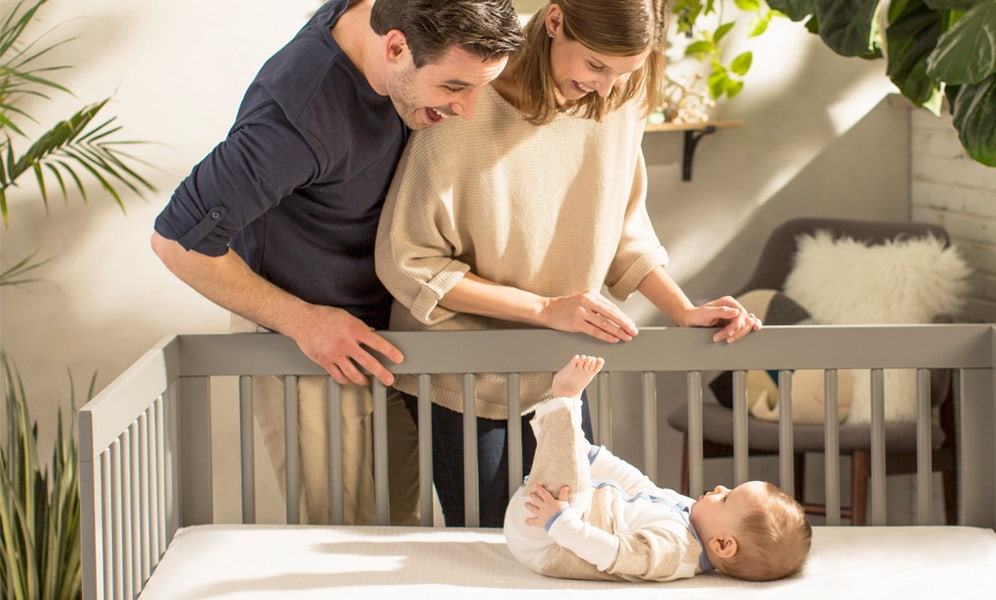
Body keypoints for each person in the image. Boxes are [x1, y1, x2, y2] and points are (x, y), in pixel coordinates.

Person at [374, 0, 763, 527]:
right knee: (500, 535)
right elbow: (409, 261)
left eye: (623, 71)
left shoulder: (618, 102)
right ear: (554, 21)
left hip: (559, 368)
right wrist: (545, 308)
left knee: (571, 525)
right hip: (461, 370)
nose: (606, 86)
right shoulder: (466, 104)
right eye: (596, 65)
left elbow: (622, 228)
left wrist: (683, 309)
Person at [150, 0, 523, 525]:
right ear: (395, 47)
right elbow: (177, 242)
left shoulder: (391, 18)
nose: (468, 109)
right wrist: (303, 322)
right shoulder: (296, 119)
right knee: (343, 529)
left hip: (386, 333)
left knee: (402, 528)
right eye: (455, 88)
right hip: (312, 344)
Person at [504, 355, 811, 582]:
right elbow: (638, 484)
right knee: (575, 468)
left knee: (569, 488)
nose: (720, 488)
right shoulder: (690, 514)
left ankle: (565, 402)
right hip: (550, 515)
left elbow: (614, 553)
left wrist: (560, 523)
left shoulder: (676, 549)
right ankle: (566, 435)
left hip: (549, 540)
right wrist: (593, 457)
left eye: (727, 498)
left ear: (722, 544)